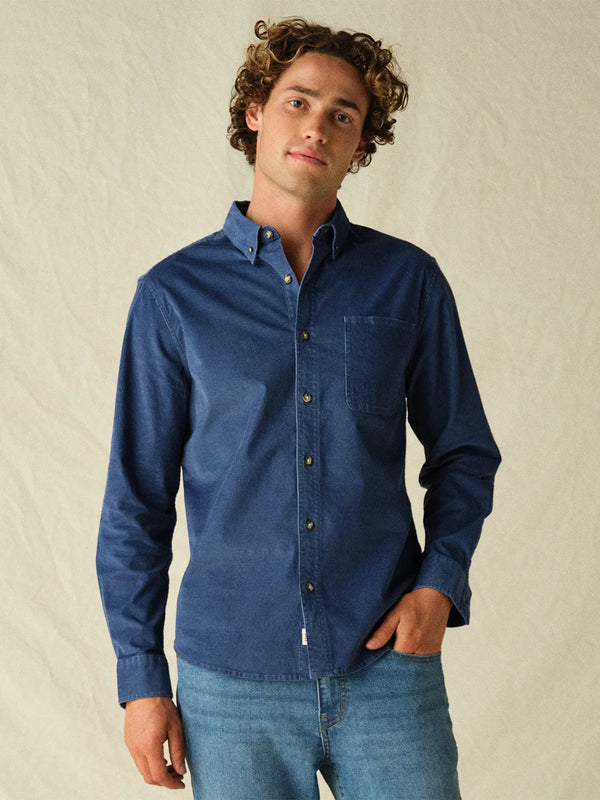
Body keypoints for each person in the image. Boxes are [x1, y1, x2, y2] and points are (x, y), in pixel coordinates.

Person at [97, 17, 501, 800]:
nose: (317, 125)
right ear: (255, 112)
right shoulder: (173, 296)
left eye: (343, 114)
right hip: (230, 686)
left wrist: (439, 584)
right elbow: (135, 501)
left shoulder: (408, 281)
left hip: (388, 671)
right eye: (299, 101)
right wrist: (140, 680)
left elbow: (464, 452)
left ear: (360, 145)